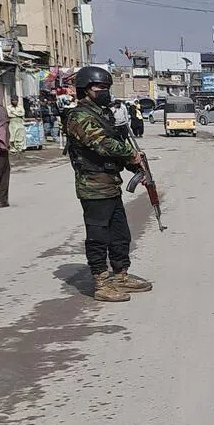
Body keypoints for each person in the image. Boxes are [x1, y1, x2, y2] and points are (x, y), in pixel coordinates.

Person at [64, 66, 153, 303]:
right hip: (93, 186)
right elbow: (102, 144)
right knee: (98, 236)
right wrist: (130, 153)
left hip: (111, 183)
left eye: (106, 87)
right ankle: (101, 281)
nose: (104, 91)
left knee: (120, 234)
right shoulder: (79, 116)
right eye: (99, 87)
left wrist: (136, 166)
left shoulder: (103, 114)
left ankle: (120, 274)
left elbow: (115, 146)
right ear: (85, 90)